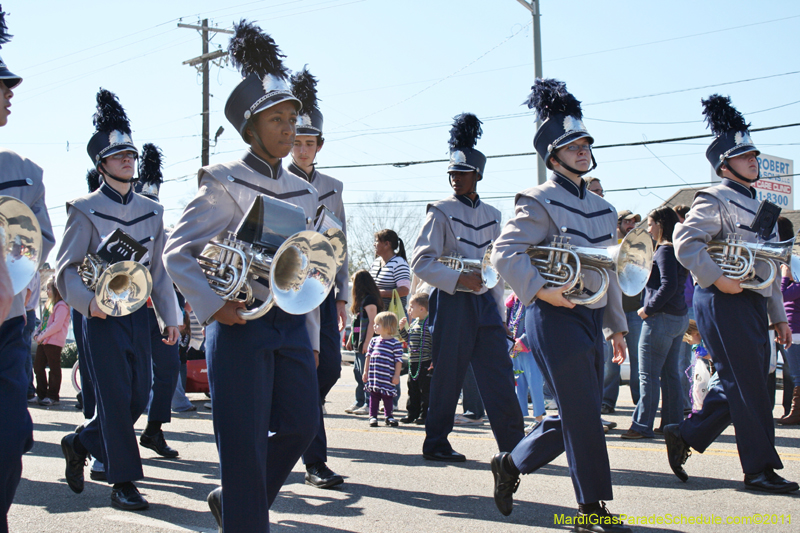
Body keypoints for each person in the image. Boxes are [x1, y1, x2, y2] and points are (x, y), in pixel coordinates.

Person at [163, 21, 323, 532]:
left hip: (290, 323)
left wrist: (312, 336)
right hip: (237, 322)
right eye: (276, 120)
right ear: (250, 129)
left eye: (292, 118)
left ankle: (235, 499)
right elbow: (177, 252)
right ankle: (243, 510)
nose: (288, 129)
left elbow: (309, 268)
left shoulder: (306, 192)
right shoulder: (224, 180)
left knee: (302, 426)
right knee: (243, 444)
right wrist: (214, 306)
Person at [489, 79, 631, 532]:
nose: (583, 151)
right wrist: (540, 290)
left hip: (591, 315)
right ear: (553, 157)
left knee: (576, 409)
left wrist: (616, 327)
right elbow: (504, 253)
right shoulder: (537, 200)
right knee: (584, 411)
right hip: (550, 314)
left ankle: (511, 464)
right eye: (572, 146)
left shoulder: (605, 209)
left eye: (585, 144)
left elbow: (610, 271)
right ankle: (592, 507)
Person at [664, 94, 798, 494]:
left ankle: (686, 434)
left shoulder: (764, 206)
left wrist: (778, 316)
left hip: (752, 299)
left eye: (753, 154)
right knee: (750, 384)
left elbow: (767, 265)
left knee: (749, 379)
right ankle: (759, 469)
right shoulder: (714, 197)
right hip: (721, 298)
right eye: (743, 156)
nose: (753, 160)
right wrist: (716, 278)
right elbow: (686, 242)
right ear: (724, 165)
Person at [56, 88, 180, 511]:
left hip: (138, 313)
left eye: (130, 153)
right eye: (118, 155)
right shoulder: (84, 208)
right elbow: (66, 269)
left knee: (138, 396)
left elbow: (159, 270)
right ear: (101, 164)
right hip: (100, 315)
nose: (128, 159)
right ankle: (123, 481)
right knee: (112, 395)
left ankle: (81, 442)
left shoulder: (153, 210)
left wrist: (170, 317)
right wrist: (87, 303)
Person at [411, 112, 524, 462]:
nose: (455, 179)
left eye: (462, 173)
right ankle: (436, 443)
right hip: (452, 302)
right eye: (452, 173)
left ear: (478, 175)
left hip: (486, 304)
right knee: (448, 375)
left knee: (499, 374)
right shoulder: (439, 211)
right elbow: (420, 261)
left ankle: (516, 446)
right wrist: (459, 279)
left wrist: (500, 311)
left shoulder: (493, 215)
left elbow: (496, 267)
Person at [0, 10, 56, 530]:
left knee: (11, 437)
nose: (9, 93)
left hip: (9, 325)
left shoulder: (24, 172)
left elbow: (42, 240)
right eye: (1, 86)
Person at [288, 67, 348, 489]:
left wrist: (342, 294)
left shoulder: (333, 186)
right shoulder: (276, 180)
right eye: (297, 142)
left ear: (320, 145)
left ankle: (297, 416)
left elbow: (340, 242)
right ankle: (315, 461)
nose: (304, 149)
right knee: (306, 373)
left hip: (323, 290)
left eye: (310, 143)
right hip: (289, 288)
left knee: (327, 370)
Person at [622, 207, 688, 439]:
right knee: (670, 374)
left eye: (650, 225)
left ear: (660, 224)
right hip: (677, 318)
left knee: (648, 375)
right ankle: (672, 423)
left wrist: (647, 309)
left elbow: (668, 285)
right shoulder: (677, 249)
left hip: (660, 319)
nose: (648, 230)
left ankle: (641, 426)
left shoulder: (665, 250)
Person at [133, 143, 182, 458]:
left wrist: (174, 315)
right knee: (133, 381)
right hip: (131, 310)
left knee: (168, 369)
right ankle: (105, 438)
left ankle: (154, 429)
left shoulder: (163, 229)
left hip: (160, 312)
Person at [602, 211, 643, 416]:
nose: (631, 225)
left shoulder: (637, 246)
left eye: (634, 222)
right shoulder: (609, 244)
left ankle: (640, 402)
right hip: (612, 311)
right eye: (627, 221)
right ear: (618, 224)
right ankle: (607, 401)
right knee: (611, 361)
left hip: (634, 310)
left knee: (637, 359)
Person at [344, 270, 383, 415]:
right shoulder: (360, 301)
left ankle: (369, 403)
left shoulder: (370, 300)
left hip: (366, 343)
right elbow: (356, 322)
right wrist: (350, 339)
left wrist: (367, 342)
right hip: (358, 343)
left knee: (366, 374)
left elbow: (373, 321)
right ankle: (359, 401)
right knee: (358, 373)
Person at [507, 293, 545, 425]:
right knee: (518, 384)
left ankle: (539, 418)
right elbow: (510, 323)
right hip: (515, 349)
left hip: (530, 350)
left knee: (535, 383)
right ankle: (520, 417)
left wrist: (524, 341)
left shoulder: (533, 298)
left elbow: (537, 322)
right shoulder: (513, 301)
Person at [33, 278, 70, 405]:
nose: (46, 291)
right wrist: (37, 333)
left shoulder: (62, 306)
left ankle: (53, 396)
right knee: (38, 367)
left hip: (54, 342)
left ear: (56, 290)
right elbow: (43, 323)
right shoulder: (49, 305)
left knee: (54, 369)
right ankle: (41, 394)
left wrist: (41, 336)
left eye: (49, 288)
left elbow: (57, 325)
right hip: (44, 341)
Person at [362, 311, 403, 427]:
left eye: (377, 324)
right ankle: (373, 416)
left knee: (387, 397)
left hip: (387, 377)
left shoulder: (395, 343)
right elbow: (368, 356)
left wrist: (396, 375)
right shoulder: (373, 341)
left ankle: (388, 416)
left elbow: (398, 361)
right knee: (374, 396)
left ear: (388, 326)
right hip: (375, 376)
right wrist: (365, 372)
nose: (374, 326)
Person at [776, 216, 799, 424]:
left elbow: (782, 295)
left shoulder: (794, 264)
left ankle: (792, 412)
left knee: (793, 372)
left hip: (791, 325)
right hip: (780, 322)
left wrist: (784, 277)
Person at [399, 292, 433, 425]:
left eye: (412, 307)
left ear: (422, 309)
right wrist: (402, 329)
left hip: (425, 362)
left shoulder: (430, 324)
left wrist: (434, 360)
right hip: (413, 362)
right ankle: (412, 413)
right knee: (412, 389)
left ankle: (425, 415)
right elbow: (409, 340)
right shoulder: (414, 324)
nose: (409, 310)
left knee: (425, 390)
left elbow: (435, 343)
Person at [370, 229, 411, 310]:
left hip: (393, 315)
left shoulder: (399, 263)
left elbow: (404, 290)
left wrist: (380, 293)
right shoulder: (376, 263)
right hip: (376, 313)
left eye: (377, 241)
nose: (374, 244)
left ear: (387, 244)